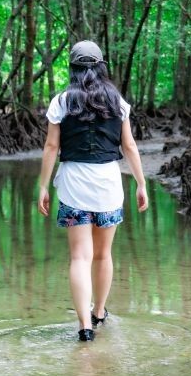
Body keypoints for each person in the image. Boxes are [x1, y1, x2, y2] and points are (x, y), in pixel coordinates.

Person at [37, 40, 148, 342]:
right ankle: (99, 311)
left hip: (73, 184)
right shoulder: (117, 101)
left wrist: (44, 186)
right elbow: (128, 146)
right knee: (103, 255)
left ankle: (84, 326)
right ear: (101, 67)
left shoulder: (62, 101)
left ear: (72, 68)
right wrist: (141, 183)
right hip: (108, 185)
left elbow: (51, 146)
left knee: (79, 258)